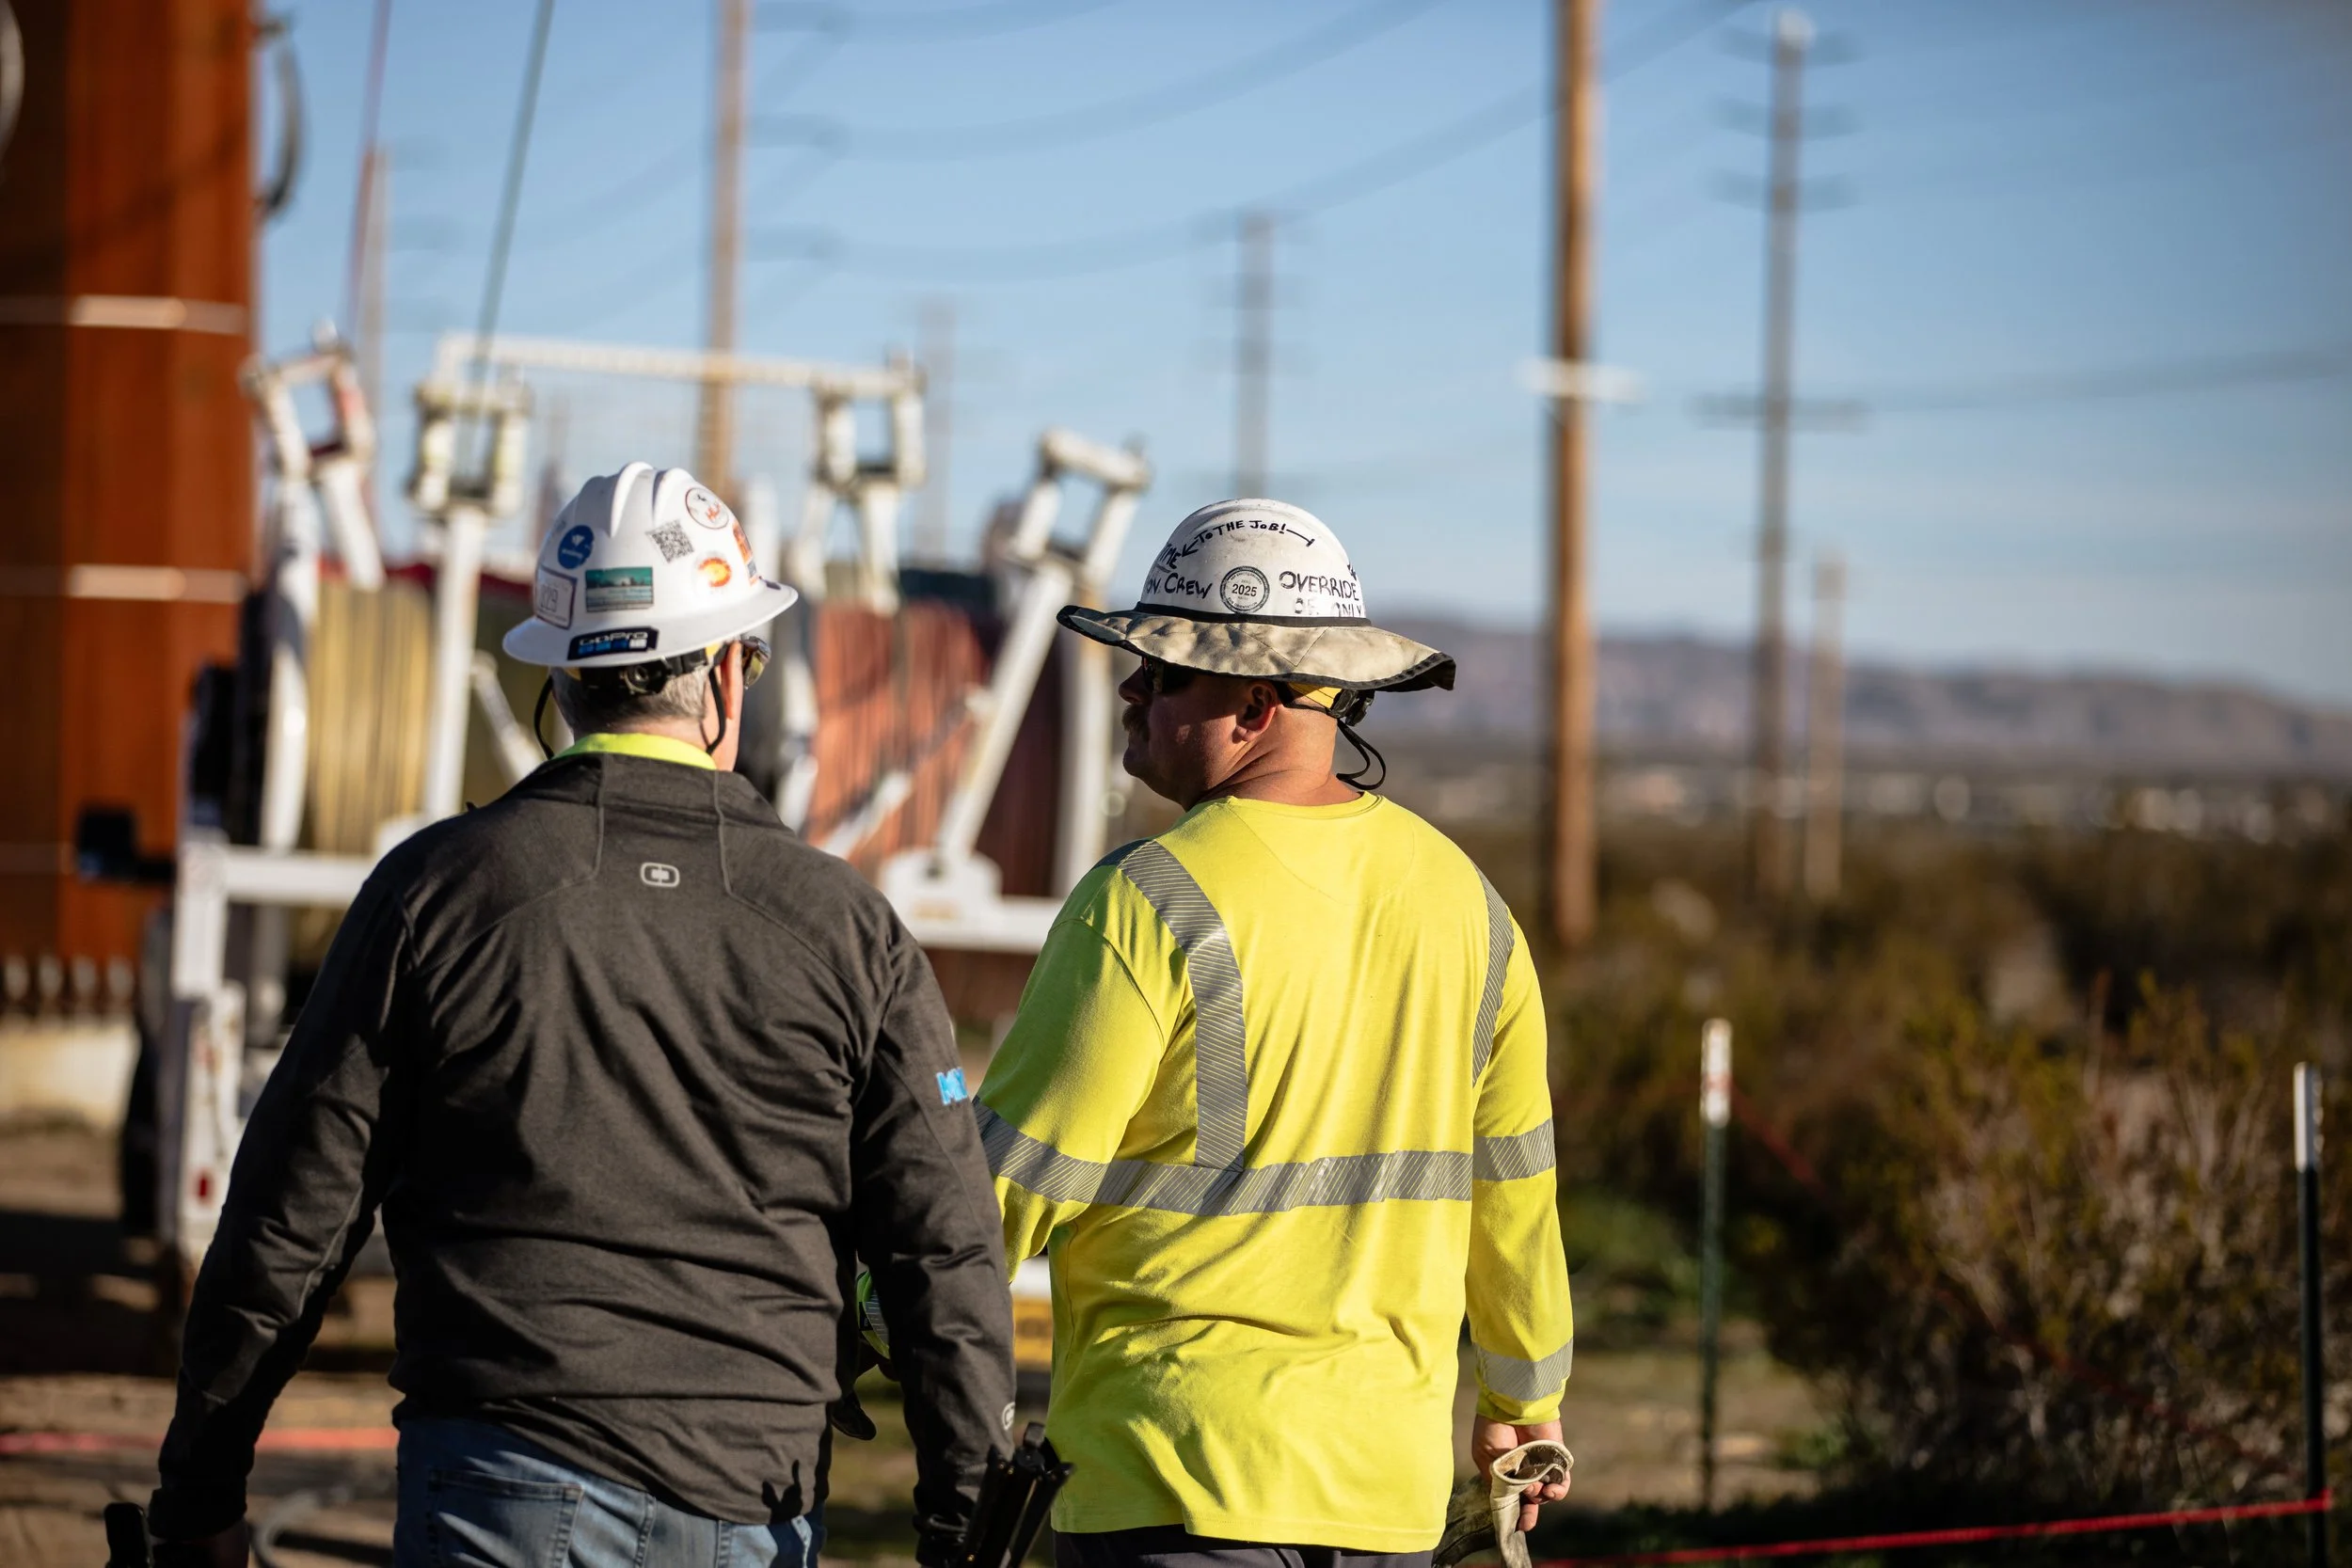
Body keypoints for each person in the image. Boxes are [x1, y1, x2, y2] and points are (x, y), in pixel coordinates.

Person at [149, 465, 1015, 1568]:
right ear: (726, 672)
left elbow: (288, 1219)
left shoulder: (436, 893)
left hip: (498, 1485)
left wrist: (199, 1493)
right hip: (751, 1495)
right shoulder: (848, 928)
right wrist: (964, 1520)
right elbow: (943, 1249)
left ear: (561, 676)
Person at [976, 499, 1575, 1568]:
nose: (1131, 690)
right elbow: (1516, 1195)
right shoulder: (1471, 909)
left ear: (1254, 703)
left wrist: (864, 1313)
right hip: (1383, 1498)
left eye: (1162, 672)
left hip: (1167, 1483)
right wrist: (1524, 1400)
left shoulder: (1144, 900)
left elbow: (1008, 1185)